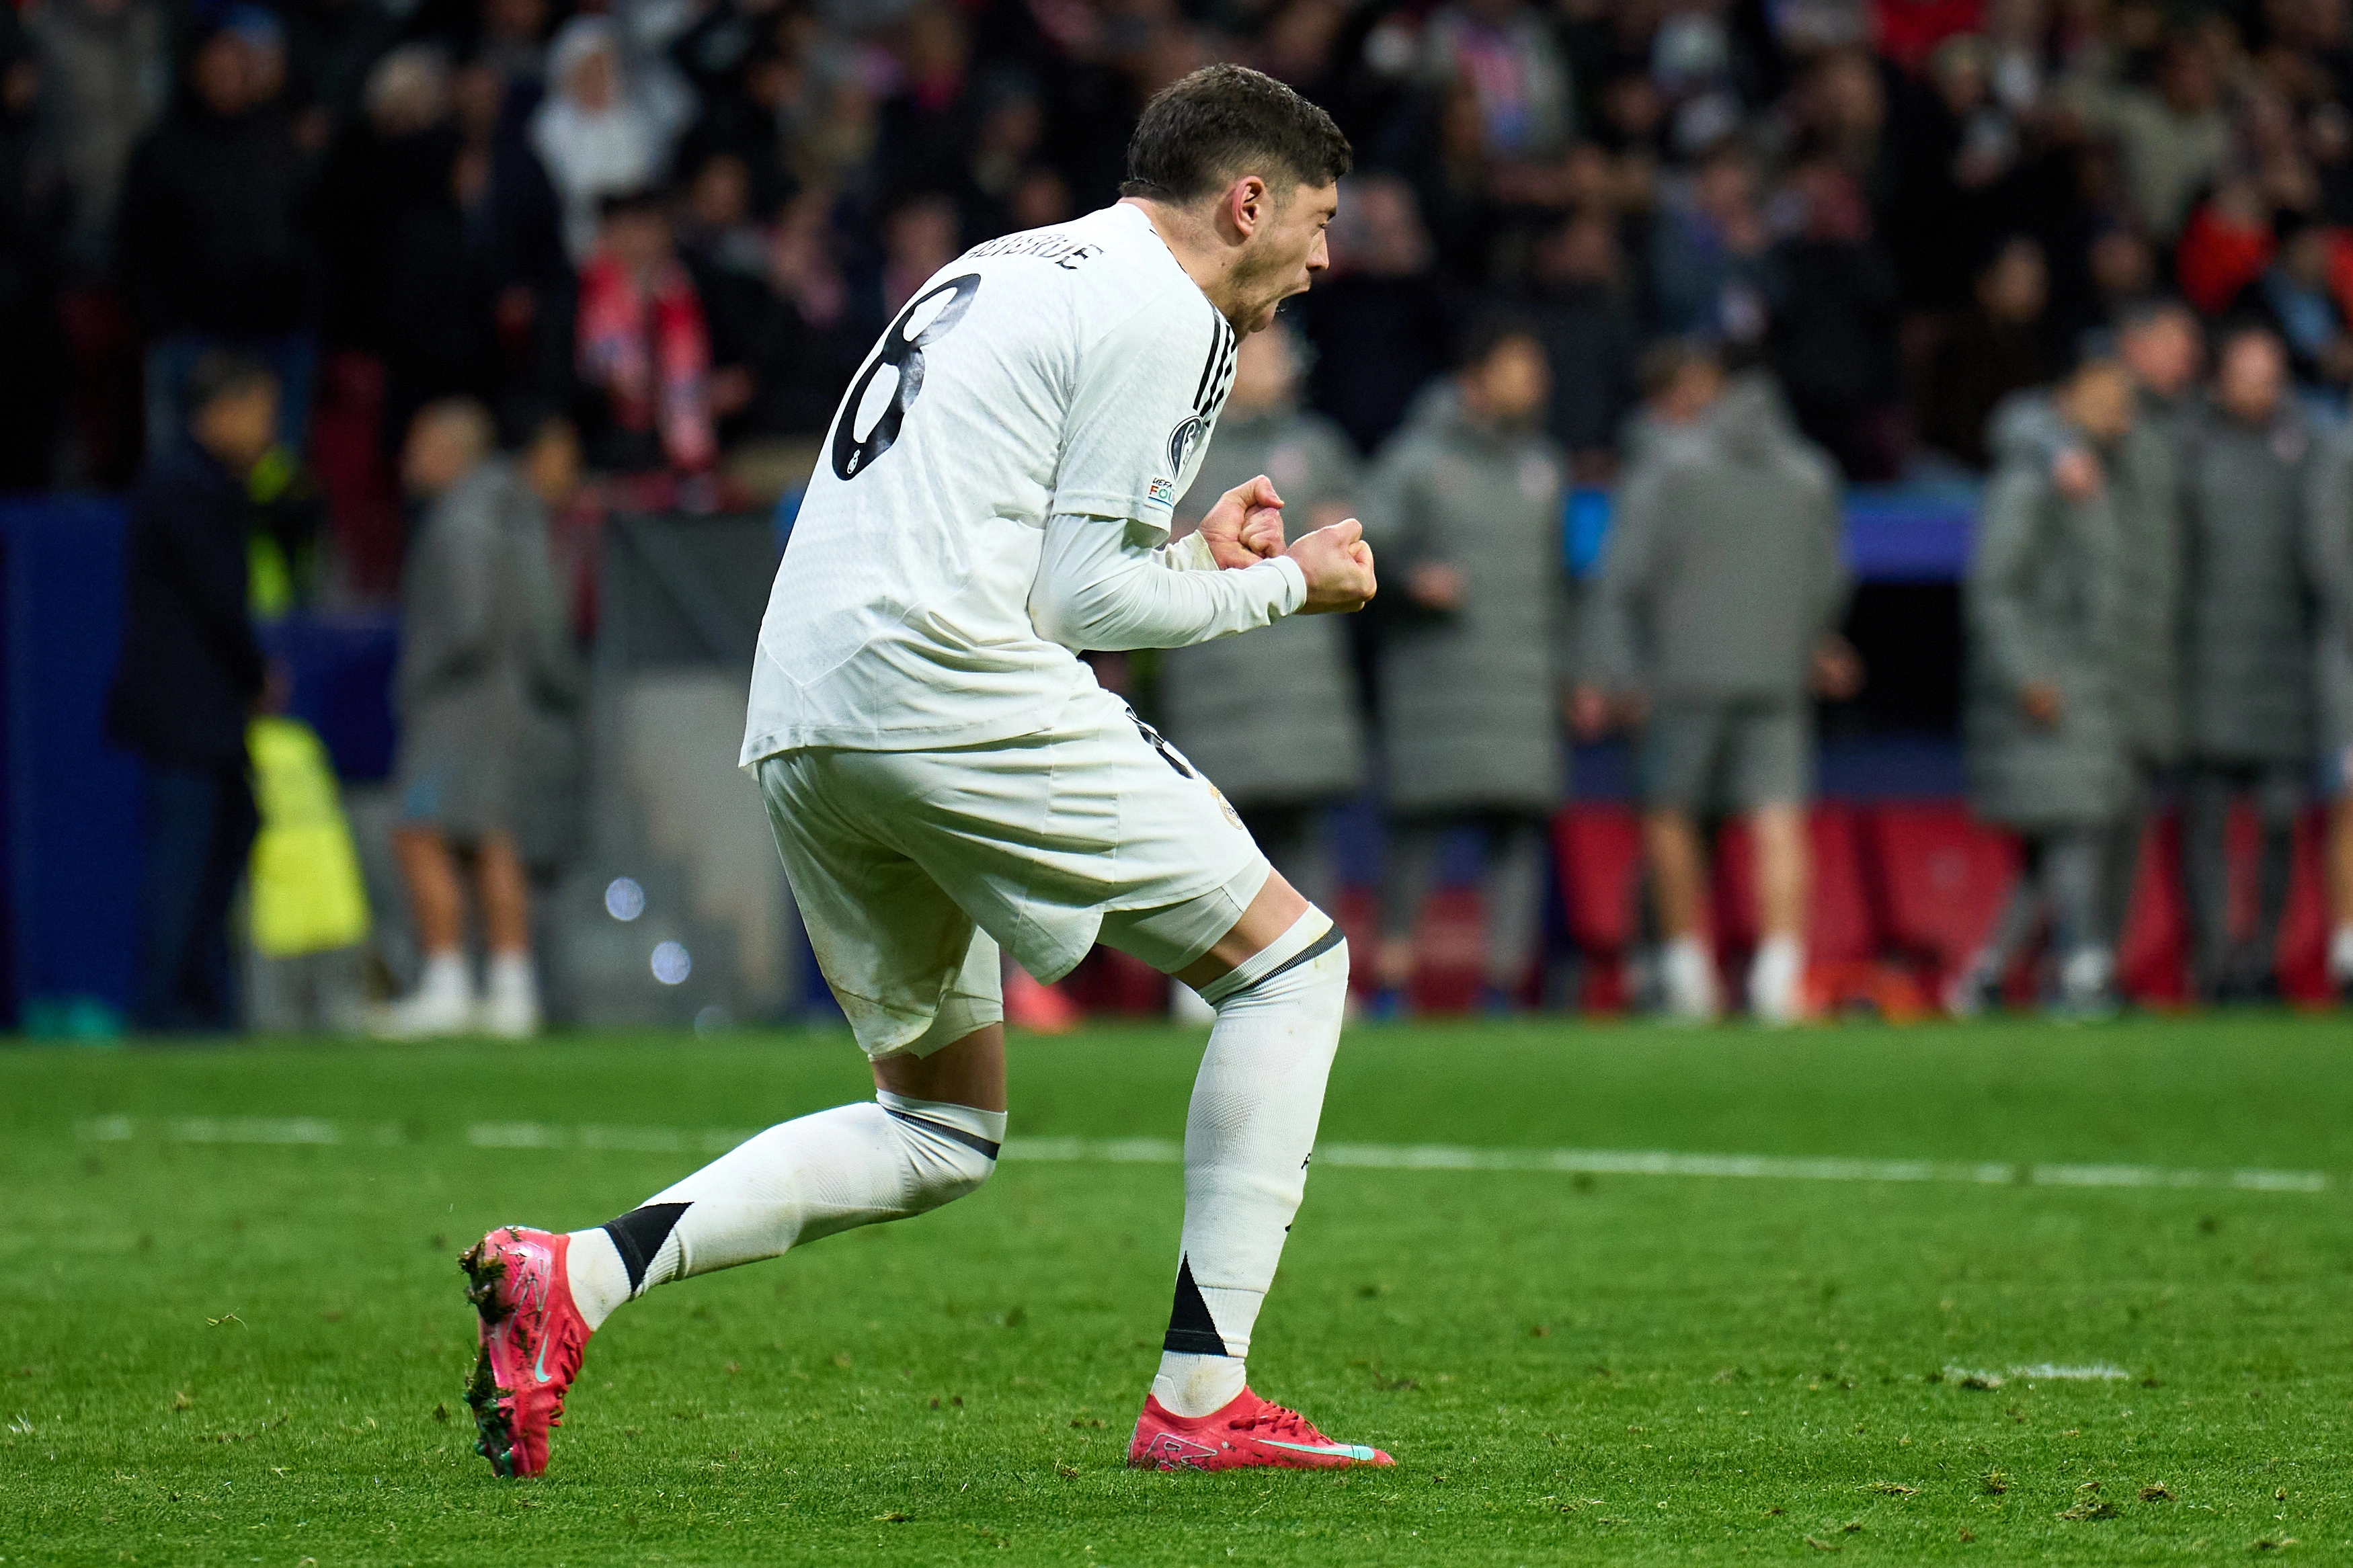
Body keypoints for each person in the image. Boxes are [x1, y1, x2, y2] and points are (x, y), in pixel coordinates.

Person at [456, 65, 1384, 1481]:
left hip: (806, 707)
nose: (1322, 258)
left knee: (940, 1121)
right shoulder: (1166, 303)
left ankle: (572, 1275)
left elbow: (1036, 549)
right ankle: (1202, 1398)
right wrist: (1284, 589)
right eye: (1313, 222)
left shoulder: (1011, 264)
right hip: (944, 681)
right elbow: (1078, 607)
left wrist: (1194, 553)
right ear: (1242, 200)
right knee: (1291, 964)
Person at [1581, 345, 1854, 1024]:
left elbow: (1623, 575)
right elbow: (1830, 577)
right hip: (1775, 674)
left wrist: (1617, 669)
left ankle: (1686, 974)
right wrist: (1801, 640)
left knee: (1670, 816)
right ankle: (1776, 977)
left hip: (1680, 674)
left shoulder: (1667, 467)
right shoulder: (1808, 472)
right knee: (1777, 819)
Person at [1361, 317, 1572, 1016]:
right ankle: (1392, 982)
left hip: (1521, 682)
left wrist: (1571, 673)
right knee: (1416, 834)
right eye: (1521, 364)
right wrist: (1405, 576)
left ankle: (1503, 986)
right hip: (1435, 687)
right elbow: (1359, 548)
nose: (1535, 381)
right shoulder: (1414, 461)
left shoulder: (1543, 466)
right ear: (1477, 376)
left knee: (1516, 833)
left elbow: (1557, 585)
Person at [376, 401, 580, 1038]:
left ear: (449, 449)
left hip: (456, 709)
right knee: (494, 840)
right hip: (508, 704)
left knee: (418, 830)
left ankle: (446, 983)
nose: (409, 461)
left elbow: (465, 621)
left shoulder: (461, 519)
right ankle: (513, 989)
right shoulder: (515, 513)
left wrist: (418, 675)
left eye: (420, 445)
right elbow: (547, 621)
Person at [1158, 319, 1363, 914]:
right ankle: (1200, 984)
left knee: (1303, 838)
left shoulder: (1317, 445)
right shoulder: (1184, 446)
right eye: (1268, 353)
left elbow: (1356, 529)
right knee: (1210, 833)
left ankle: (1312, 965)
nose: (1285, 364)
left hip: (1303, 684)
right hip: (1212, 676)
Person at [1954, 356, 2138, 1016]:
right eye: (2103, 396)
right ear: (2063, 398)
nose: (2118, 412)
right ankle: (2083, 969)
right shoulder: (2030, 479)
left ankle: (1985, 976)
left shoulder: (2091, 472)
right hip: (2045, 685)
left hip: (2081, 679)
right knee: (2073, 829)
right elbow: (1993, 587)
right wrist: (2025, 672)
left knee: (2051, 845)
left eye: (2123, 398)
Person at [104, 353, 279, 1032]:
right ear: (222, 410)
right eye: (261, 412)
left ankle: (204, 1000)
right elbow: (217, 596)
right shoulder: (183, 485)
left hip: (206, 708)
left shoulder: (209, 484)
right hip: (186, 710)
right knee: (186, 854)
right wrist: (254, 670)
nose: (271, 431)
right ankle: (164, 1002)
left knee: (221, 842)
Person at [2178, 327, 2317, 1003]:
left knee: (2276, 824)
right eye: (2246, 375)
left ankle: (2260, 957)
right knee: (2203, 825)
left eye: (2270, 376)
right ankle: (2210, 964)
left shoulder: (2311, 449)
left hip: (2283, 676)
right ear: (2219, 379)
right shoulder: (2186, 446)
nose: (2259, 390)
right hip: (2202, 673)